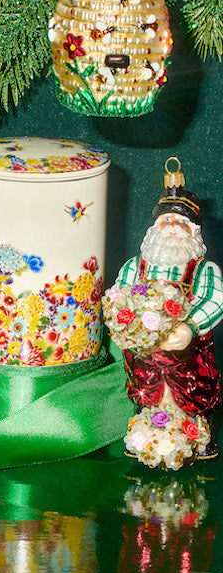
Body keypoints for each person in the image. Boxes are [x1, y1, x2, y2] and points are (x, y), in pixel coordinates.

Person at [115, 159, 222, 457]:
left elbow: (215, 299)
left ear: (194, 231)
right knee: (147, 391)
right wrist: (128, 325)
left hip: (188, 355)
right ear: (154, 227)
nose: (173, 226)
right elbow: (119, 295)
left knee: (191, 393)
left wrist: (190, 327)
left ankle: (195, 435)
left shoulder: (204, 270)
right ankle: (147, 433)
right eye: (167, 220)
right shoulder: (135, 266)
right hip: (145, 353)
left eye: (182, 222)